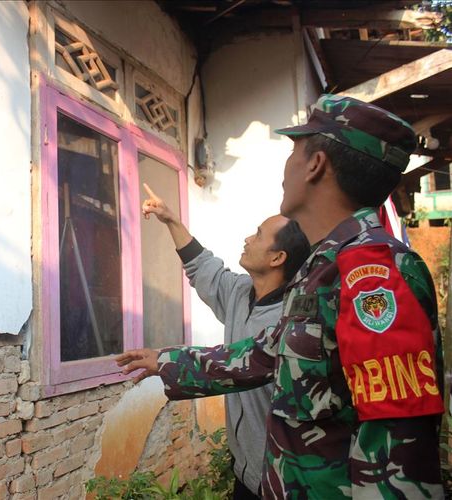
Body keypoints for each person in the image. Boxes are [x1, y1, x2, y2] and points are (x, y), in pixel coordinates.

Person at [117, 94, 445, 498]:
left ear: (315, 164)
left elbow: (399, 444)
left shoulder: (372, 274)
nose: (284, 169)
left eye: (294, 151)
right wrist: (168, 361)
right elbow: (270, 354)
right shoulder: (322, 267)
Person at [141, 183, 309, 499]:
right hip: (245, 471)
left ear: (277, 258)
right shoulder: (240, 292)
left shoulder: (289, 320)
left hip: (281, 480)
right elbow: (205, 270)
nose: (248, 238)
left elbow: (232, 367)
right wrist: (171, 220)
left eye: (258, 235)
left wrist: (164, 361)